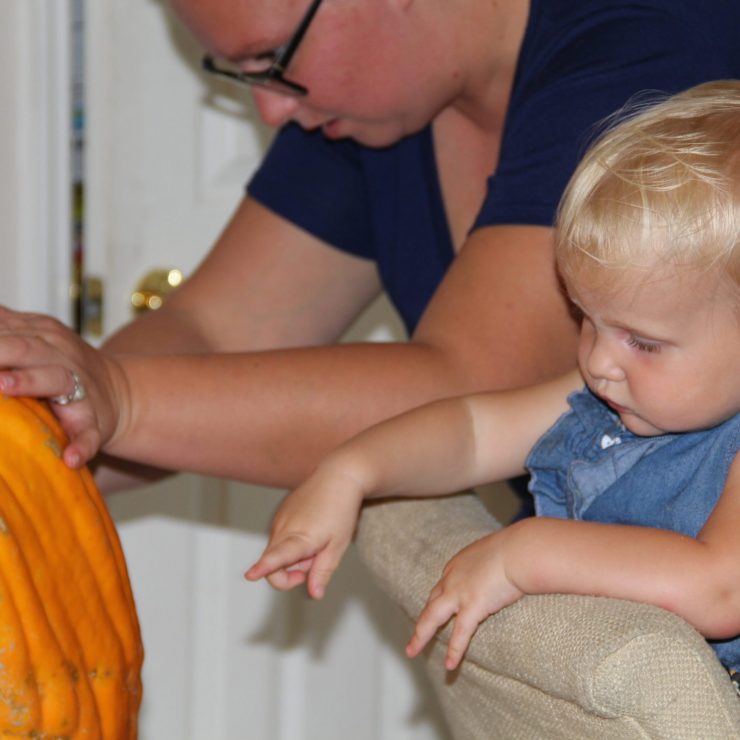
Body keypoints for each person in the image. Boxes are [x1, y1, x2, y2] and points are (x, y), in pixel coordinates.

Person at [0, 0, 737, 500]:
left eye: (270, 58)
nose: (270, 106)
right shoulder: (384, 101)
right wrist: (31, 423)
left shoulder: (653, 45)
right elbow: (212, 333)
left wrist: (115, 398)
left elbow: (473, 384)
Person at [244, 81, 740, 674]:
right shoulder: (603, 403)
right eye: (587, 319)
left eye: (643, 342)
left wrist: (521, 553)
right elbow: (474, 430)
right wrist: (349, 471)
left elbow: (719, 590)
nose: (599, 363)